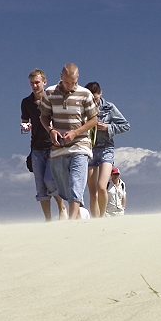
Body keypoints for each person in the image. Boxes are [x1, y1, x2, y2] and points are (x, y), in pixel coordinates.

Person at [39, 63, 97, 219]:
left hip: (80, 145)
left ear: (77, 78)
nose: (70, 85)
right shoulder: (50, 93)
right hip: (59, 147)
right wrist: (51, 130)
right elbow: (43, 116)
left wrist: (76, 132)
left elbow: (93, 120)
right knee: (58, 184)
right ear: (61, 77)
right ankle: (80, 213)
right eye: (66, 82)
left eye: (73, 82)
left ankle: (71, 221)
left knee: (76, 181)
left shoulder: (85, 94)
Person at [21, 69, 67, 221]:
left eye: (37, 82)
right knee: (40, 186)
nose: (34, 86)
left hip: (53, 146)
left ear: (44, 82)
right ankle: (48, 219)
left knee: (50, 180)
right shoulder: (26, 102)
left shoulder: (53, 99)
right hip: (36, 147)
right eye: (32, 83)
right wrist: (25, 126)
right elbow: (25, 121)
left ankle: (62, 207)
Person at [84, 82, 130, 217]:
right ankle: (95, 219)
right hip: (90, 149)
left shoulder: (109, 108)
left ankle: (102, 216)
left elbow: (126, 125)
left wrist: (108, 127)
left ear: (101, 94)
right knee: (92, 191)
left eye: (96, 99)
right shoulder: (82, 108)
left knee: (102, 186)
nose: (94, 101)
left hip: (106, 149)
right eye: (91, 99)